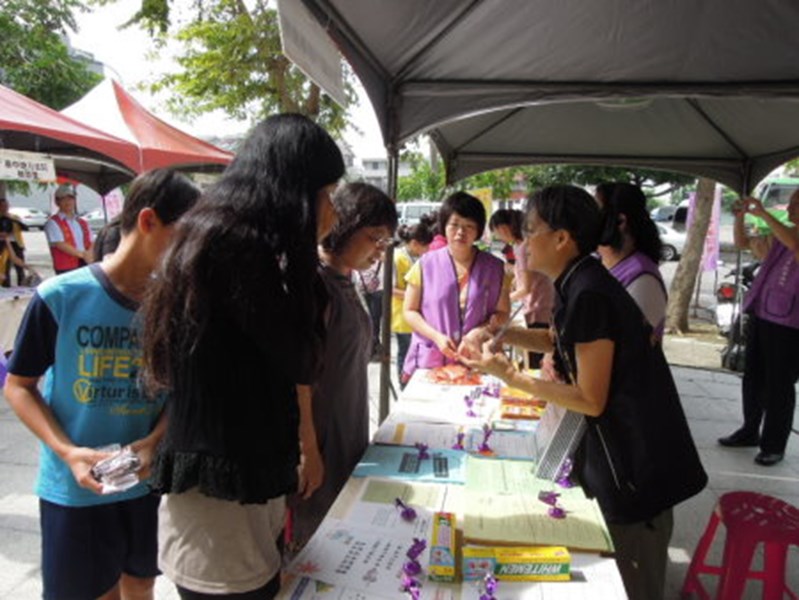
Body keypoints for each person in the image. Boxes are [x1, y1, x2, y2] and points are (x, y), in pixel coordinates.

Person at [459, 185, 707, 600]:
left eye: (530, 228)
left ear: (561, 238)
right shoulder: (580, 282)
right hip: (625, 461)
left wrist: (512, 377)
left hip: (636, 471)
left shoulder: (589, 292)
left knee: (633, 585)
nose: (522, 241)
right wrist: (498, 333)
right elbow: (560, 340)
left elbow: (591, 398)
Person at [140, 114, 345, 599]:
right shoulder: (239, 252)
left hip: (232, 485)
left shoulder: (221, 238)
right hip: (221, 500)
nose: (331, 208)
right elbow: (301, 358)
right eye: (326, 193)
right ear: (294, 191)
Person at [3, 168, 200, 600]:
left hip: (144, 484)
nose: (191, 252)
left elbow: (181, 392)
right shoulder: (60, 296)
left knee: (141, 584)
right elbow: (19, 386)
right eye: (184, 236)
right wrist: (68, 452)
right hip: (74, 491)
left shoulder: (175, 306)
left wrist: (153, 442)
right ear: (148, 221)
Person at [290, 182, 398, 549]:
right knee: (315, 546)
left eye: (385, 243)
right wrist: (308, 450)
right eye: (374, 239)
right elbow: (296, 377)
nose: (379, 252)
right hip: (320, 441)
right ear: (346, 225)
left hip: (347, 433)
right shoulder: (314, 285)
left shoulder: (345, 281)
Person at [717, 191, 799, 466]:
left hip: (791, 324)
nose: (791, 206)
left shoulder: (788, 236)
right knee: (752, 376)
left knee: (779, 385)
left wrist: (763, 213)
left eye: (797, 202)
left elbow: (796, 246)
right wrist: (740, 216)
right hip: (764, 314)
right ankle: (749, 430)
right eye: (792, 201)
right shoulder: (781, 234)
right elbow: (742, 243)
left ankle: (774, 444)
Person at [402, 192, 510, 381]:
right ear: (444, 226)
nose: (461, 232)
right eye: (455, 224)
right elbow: (410, 310)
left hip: (479, 358)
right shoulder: (425, 264)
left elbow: (503, 314)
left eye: (469, 226)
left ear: (478, 231)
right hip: (433, 358)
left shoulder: (494, 268)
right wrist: (435, 336)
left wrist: (478, 332)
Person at [595, 182, 668, 341]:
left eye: (595, 211)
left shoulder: (643, 279)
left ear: (620, 221)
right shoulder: (599, 264)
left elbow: (630, 345)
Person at [489, 208, 555, 367]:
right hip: (544, 306)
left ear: (503, 228)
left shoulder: (522, 247)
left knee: (536, 364)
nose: (497, 237)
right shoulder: (525, 244)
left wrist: (498, 303)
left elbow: (525, 289)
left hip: (538, 310)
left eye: (495, 232)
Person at [392, 216, 434, 387]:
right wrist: (417, 296)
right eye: (426, 245)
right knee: (405, 352)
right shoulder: (397, 258)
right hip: (401, 316)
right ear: (415, 243)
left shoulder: (415, 257)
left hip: (415, 314)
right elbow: (391, 289)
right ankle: (404, 386)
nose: (428, 249)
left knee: (413, 351)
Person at [44, 183, 94, 274]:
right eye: (63, 199)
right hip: (66, 265)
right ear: (57, 202)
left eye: (70, 198)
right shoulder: (53, 222)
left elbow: (91, 241)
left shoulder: (82, 222)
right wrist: (83, 255)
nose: (68, 202)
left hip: (85, 262)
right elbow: (60, 244)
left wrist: (89, 254)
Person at [354, 256, 385, 361]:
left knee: (368, 319)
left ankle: (371, 346)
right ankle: (373, 347)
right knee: (375, 319)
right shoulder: (380, 257)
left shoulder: (360, 257)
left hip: (363, 289)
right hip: (377, 290)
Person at [0, 195, 29, 286]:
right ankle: (5, 286)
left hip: (16, 244)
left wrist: (11, 218)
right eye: (2, 206)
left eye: (6, 205)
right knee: (5, 267)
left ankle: (22, 286)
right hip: (3, 244)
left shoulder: (14, 217)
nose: (5, 208)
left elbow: (25, 227)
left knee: (19, 268)